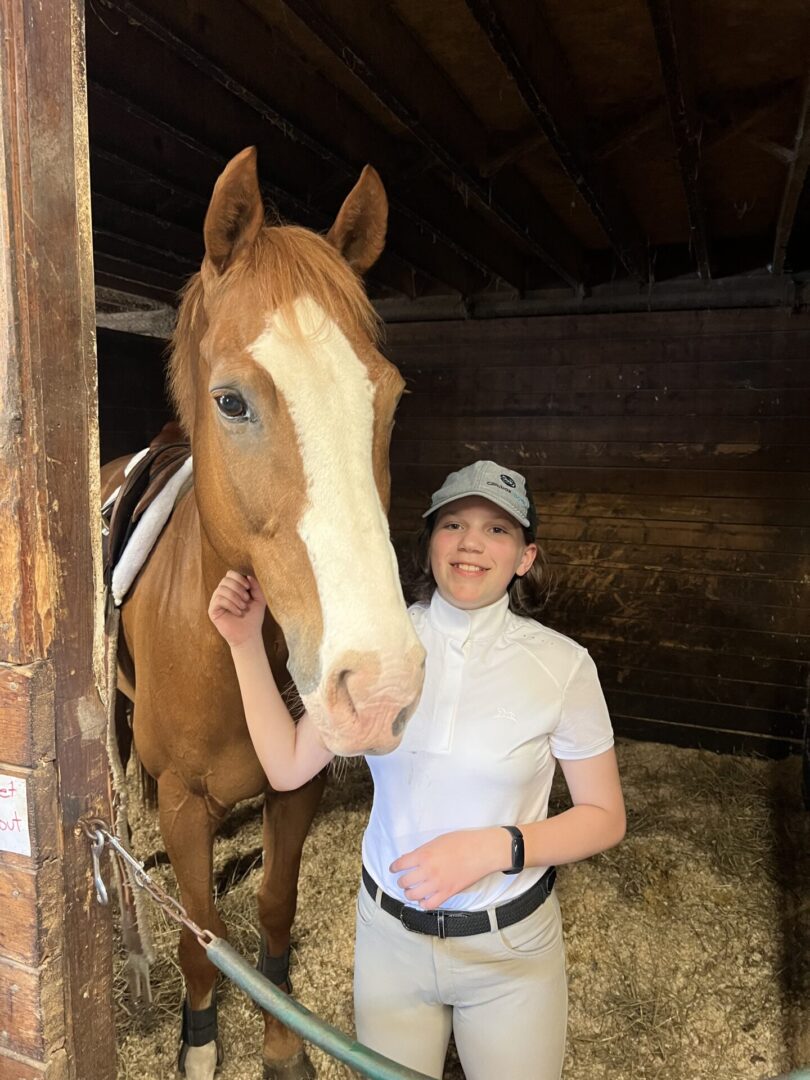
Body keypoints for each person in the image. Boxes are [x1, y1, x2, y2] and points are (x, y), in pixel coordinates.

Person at [208, 460, 625, 1080]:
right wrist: (244, 642)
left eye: (497, 530)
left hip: (510, 949)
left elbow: (604, 817)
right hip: (390, 940)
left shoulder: (563, 667)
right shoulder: (378, 648)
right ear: (429, 543)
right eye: (453, 524)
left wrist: (497, 847)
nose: (471, 543)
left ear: (525, 557)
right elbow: (289, 765)